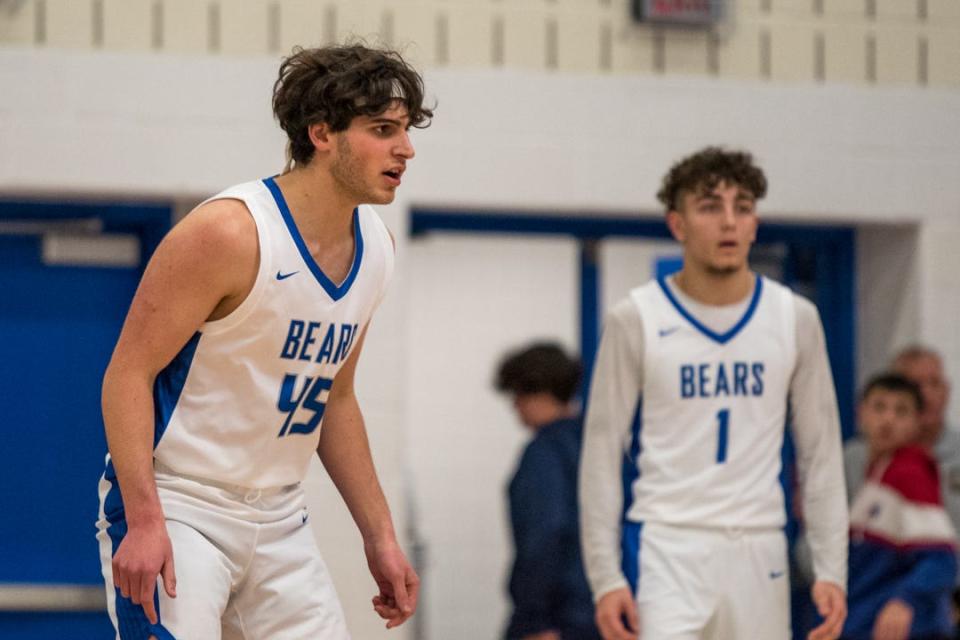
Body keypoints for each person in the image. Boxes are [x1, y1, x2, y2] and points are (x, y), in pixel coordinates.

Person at [95, 43, 432, 638]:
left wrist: (379, 536)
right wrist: (145, 519)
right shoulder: (229, 231)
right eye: (383, 129)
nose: (404, 149)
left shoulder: (377, 248)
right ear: (322, 133)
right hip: (181, 502)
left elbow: (338, 398)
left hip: (280, 514)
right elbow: (128, 373)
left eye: (405, 130)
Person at [579, 147, 848, 640]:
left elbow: (821, 454)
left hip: (760, 548)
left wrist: (832, 567)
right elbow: (600, 454)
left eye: (742, 207)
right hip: (666, 546)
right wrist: (605, 578)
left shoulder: (795, 318)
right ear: (678, 224)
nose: (729, 221)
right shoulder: (636, 317)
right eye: (710, 206)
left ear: (755, 223)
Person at [495, 342, 602, 640]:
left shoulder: (544, 453)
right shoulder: (597, 444)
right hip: (604, 610)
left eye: (518, 393)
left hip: (560, 618)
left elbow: (545, 533)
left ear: (537, 390)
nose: (514, 405)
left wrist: (534, 620)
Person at [843, 373, 957, 640]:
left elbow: (942, 558)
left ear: (918, 422)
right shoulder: (879, 473)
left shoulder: (909, 472)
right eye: (880, 407)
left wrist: (904, 600)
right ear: (861, 413)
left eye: (901, 410)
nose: (888, 419)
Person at [844, 346, 960, 539]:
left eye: (934, 383)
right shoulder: (851, 459)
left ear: (947, 390)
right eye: (916, 385)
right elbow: (813, 540)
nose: (926, 395)